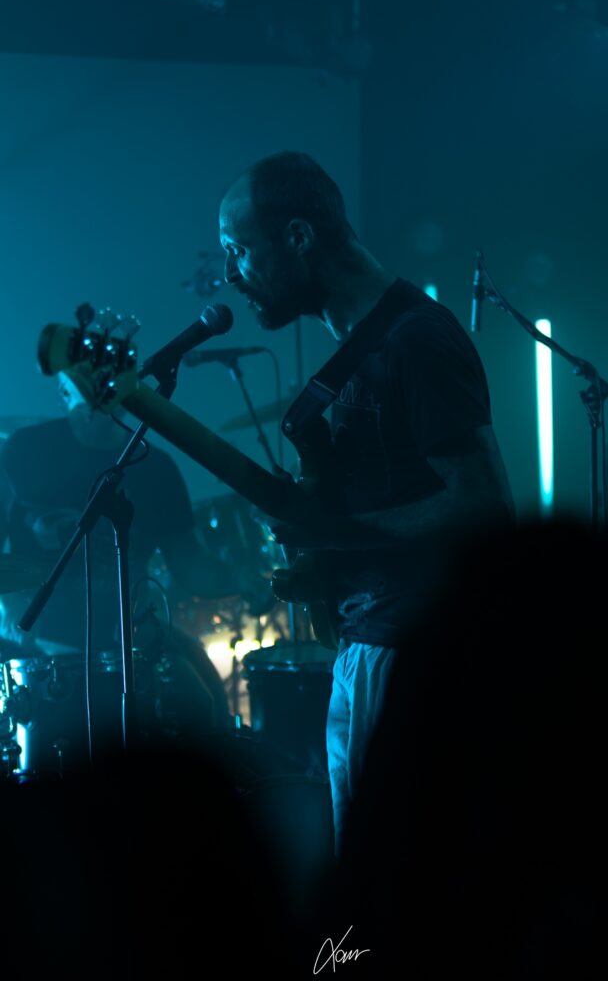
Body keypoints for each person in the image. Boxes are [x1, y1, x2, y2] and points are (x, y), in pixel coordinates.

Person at [218, 151, 515, 849]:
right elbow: (396, 498)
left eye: (240, 250)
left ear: (298, 237)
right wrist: (327, 562)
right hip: (369, 637)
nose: (232, 274)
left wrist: (330, 535)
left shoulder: (414, 339)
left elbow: (482, 506)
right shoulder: (356, 347)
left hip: (411, 648)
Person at [0, 373, 271, 741]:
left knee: (203, 702)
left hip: (134, 640)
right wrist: (13, 613)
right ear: (63, 389)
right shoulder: (25, 450)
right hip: (43, 642)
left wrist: (244, 580)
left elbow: (189, 564)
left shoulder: (156, 466)